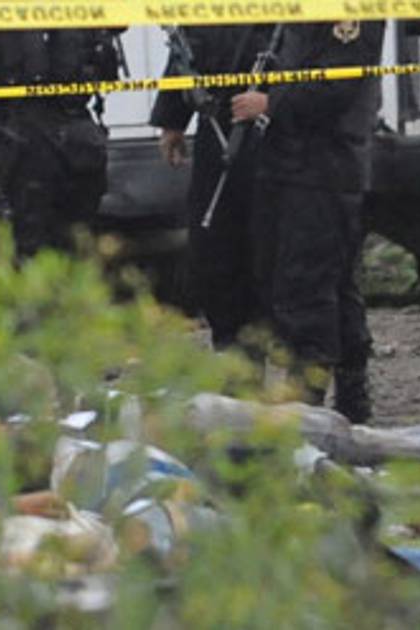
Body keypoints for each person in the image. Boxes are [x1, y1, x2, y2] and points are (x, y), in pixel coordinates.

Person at [231, 20, 386, 422]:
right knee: (314, 283)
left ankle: (309, 406)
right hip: (287, 163)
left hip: (325, 167)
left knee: (307, 286)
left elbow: (338, 82)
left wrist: (271, 104)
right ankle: (347, 400)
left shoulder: (349, 12)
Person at [149, 26, 274, 354]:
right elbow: (185, 52)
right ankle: (232, 349)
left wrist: (274, 103)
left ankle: (278, 348)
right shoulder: (207, 9)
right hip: (216, 126)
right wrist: (172, 122)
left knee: (266, 248)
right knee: (213, 246)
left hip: (275, 138)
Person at [0, 28, 123, 258]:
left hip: (76, 133)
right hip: (22, 134)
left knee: (77, 245)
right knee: (26, 245)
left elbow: (106, 70)